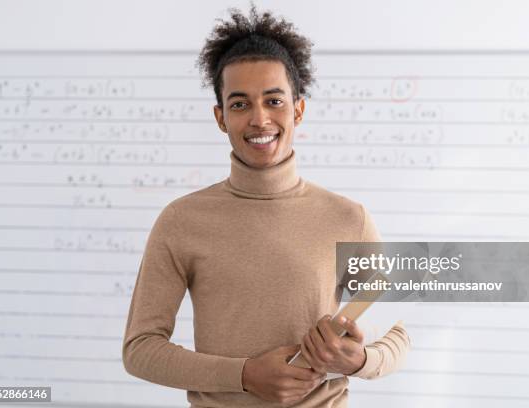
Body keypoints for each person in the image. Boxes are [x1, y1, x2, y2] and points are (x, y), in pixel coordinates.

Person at [122, 5, 410, 407]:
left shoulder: (350, 219)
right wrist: (243, 375)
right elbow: (140, 349)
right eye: (240, 104)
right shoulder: (181, 221)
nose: (259, 119)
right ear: (221, 118)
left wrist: (360, 359)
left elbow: (399, 334)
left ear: (298, 109)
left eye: (274, 101)